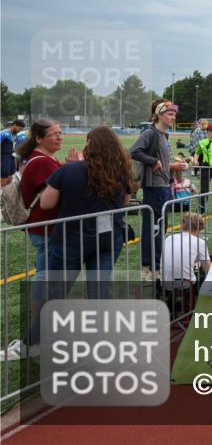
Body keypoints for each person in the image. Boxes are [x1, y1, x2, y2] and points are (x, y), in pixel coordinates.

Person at [0, 119, 80, 361]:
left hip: (45, 227)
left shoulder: (43, 159)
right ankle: (38, 332)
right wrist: (73, 169)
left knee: (48, 275)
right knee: (47, 276)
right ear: (39, 138)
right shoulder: (42, 161)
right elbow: (57, 193)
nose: (60, 137)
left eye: (60, 132)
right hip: (45, 228)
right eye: (54, 134)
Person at [41, 126, 135, 301]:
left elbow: (46, 203)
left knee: (55, 294)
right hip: (107, 237)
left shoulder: (69, 169)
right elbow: (125, 201)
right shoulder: (121, 171)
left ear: (90, 144)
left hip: (71, 238)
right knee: (99, 291)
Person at [131, 99, 187, 281]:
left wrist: (173, 166)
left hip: (164, 185)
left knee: (158, 228)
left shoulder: (163, 135)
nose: (173, 117)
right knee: (155, 228)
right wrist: (153, 161)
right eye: (170, 114)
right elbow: (134, 151)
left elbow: (162, 162)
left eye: (174, 114)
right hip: (155, 188)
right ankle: (151, 269)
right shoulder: (150, 133)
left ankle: (152, 267)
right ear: (159, 115)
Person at [160, 212, 212, 319]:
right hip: (184, 282)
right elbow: (208, 268)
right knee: (204, 276)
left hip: (164, 281)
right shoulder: (199, 242)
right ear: (198, 228)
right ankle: (198, 309)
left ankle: (173, 309)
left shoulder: (169, 238)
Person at [194, 124, 212, 211]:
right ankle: (201, 208)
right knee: (204, 189)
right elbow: (197, 153)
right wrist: (195, 160)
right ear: (207, 132)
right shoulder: (202, 142)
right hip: (206, 168)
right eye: (210, 131)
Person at [1, 119, 26, 186]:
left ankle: (5, 192)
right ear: (15, 125)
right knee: (3, 180)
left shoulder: (12, 135)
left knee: (10, 180)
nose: (20, 130)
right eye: (20, 128)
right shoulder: (4, 133)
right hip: (4, 158)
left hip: (11, 158)